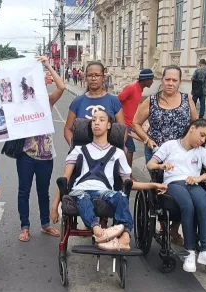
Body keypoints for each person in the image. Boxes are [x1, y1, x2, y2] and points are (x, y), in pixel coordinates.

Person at [50, 110, 166, 250]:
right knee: (83, 197)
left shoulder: (118, 153)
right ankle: (99, 231)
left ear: (109, 125)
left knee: (121, 197)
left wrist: (152, 185)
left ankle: (125, 237)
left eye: (101, 120)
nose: (96, 123)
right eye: (93, 120)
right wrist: (55, 207)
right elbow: (65, 178)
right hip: (81, 190)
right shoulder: (78, 150)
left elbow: (128, 183)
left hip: (105, 192)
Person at [132, 65, 199, 245]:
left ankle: (174, 229)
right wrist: (146, 139)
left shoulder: (187, 100)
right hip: (158, 153)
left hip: (183, 153)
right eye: (167, 79)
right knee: (162, 189)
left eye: (174, 80)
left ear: (180, 82)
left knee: (183, 186)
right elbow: (136, 123)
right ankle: (162, 225)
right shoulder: (152, 101)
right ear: (161, 80)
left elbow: (196, 124)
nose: (170, 83)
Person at [146, 119, 206, 272]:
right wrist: (162, 165)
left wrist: (200, 178)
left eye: (205, 138)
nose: (202, 140)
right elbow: (150, 164)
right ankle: (190, 252)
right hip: (174, 183)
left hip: (193, 183)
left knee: (203, 204)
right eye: (201, 135)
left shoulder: (201, 152)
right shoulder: (170, 145)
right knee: (187, 205)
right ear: (192, 129)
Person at [17, 56, 65, 242]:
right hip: (26, 154)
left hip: (45, 155)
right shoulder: (19, 104)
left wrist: (48, 65)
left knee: (43, 191)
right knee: (24, 191)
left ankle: (45, 224)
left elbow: (61, 87)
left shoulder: (47, 101)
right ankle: (25, 226)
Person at [64, 61, 124, 146]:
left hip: (107, 155)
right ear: (86, 77)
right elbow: (67, 129)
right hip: (83, 155)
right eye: (90, 75)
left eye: (97, 75)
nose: (93, 78)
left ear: (103, 77)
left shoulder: (113, 101)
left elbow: (122, 130)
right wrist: (75, 148)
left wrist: (115, 150)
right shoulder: (77, 102)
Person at [118, 68, 155, 167]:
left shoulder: (139, 89)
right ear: (146, 79)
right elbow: (117, 100)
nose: (152, 81)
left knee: (125, 148)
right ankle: (128, 175)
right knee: (130, 148)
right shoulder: (131, 88)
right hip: (124, 124)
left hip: (129, 124)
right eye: (151, 79)